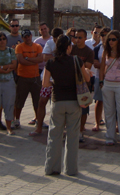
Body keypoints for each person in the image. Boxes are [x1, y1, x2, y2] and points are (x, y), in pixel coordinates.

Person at [44, 35, 90, 176]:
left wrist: (55, 83)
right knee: (72, 136)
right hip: (73, 102)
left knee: (54, 135)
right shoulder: (76, 60)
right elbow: (87, 78)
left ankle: (52, 168)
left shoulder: (51, 62)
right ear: (69, 47)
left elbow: (45, 83)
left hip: (57, 101)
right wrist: (87, 72)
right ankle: (70, 169)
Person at [30, 27, 63, 136]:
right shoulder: (49, 43)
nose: (56, 41)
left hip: (61, 79)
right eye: (55, 39)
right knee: (42, 101)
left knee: (59, 105)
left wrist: (53, 56)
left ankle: (60, 129)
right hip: (48, 77)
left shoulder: (66, 42)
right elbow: (45, 57)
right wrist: (58, 55)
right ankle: (39, 127)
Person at [14, 29, 43, 128]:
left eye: (29, 36)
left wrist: (28, 58)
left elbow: (40, 59)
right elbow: (21, 61)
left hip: (35, 77)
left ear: (31, 36)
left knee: (37, 100)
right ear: (22, 38)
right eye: (25, 37)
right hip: (22, 77)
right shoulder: (19, 47)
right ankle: (17, 119)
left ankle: (38, 119)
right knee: (19, 100)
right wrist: (33, 61)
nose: (27, 38)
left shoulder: (37, 46)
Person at [71, 29, 94, 142]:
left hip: (84, 84)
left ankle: (80, 131)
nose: (77, 40)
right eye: (76, 37)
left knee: (84, 108)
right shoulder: (71, 49)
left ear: (85, 38)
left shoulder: (89, 52)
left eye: (80, 37)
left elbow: (87, 68)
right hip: (71, 83)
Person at [31, 22, 52, 128]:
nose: (43, 30)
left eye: (45, 28)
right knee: (39, 98)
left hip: (51, 72)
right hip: (39, 71)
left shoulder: (52, 40)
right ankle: (38, 119)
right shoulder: (37, 41)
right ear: (39, 31)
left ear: (48, 29)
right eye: (41, 29)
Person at [89, 25, 107, 132]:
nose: (103, 37)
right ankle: (97, 122)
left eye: (105, 35)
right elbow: (95, 64)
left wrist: (103, 65)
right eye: (102, 35)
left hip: (112, 78)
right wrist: (107, 66)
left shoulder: (115, 49)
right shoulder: (97, 48)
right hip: (98, 77)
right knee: (99, 101)